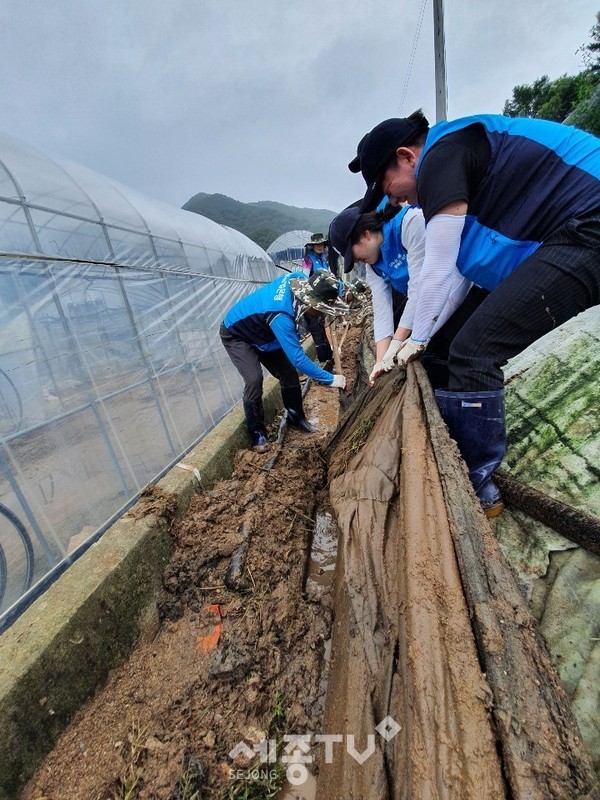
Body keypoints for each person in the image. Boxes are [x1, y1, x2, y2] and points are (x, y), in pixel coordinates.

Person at [356, 110, 600, 516]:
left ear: (406, 157)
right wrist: (415, 340)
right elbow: (455, 284)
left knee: (474, 351)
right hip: (575, 231)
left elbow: (434, 273)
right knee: (459, 346)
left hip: (589, 224)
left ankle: (473, 483)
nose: (395, 199)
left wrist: (414, 339)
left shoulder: (441, 156)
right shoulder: (458, 176)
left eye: (388, 186)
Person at [329, 203, 471, 386]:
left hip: (455, 286)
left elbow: (419, 289)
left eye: (353, 254)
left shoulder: (410, 223)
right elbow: (381, 312)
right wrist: (380, 361)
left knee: (451, 350)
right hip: (427, 303)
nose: (356, 261)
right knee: (425, 351)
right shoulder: (372, 265)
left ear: (365, 234)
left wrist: (396, 343)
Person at [220, 269, 347, 449]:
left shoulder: (300, 280)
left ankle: (296, 417)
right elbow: (298, 359)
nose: (320, 314)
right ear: (309, 303)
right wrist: (331, 379)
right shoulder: (281, 315)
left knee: (288, 372)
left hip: (264, 331)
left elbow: (330, 286)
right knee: (254, 378)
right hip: (238, 333)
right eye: (319, 310)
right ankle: (257, 433)